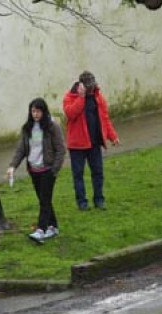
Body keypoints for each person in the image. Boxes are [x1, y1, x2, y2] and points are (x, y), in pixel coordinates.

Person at [7, 98, 67, 243]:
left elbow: (61, 150)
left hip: (47, 170)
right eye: (33, 111)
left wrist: (54, 169)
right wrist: (12, 166)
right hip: (34, 170)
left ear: (44, 111)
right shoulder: (27, 129)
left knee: (44, 201)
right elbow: (21, 149)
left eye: (38, 111)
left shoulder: (52, 128)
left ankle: (41, 230)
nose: (35, 114)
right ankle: (53, 226)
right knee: (43, 199)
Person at [63, 71, 121, 211]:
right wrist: (81, 98)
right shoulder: (70, 97)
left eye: (92, 86)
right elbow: (70, 113)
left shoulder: (98, 97)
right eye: (88, 87)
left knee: (98, 172)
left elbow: (104, 119)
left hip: (94, 142)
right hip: (77, 145)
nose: (91, 89)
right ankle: (82, 203)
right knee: (78, 175)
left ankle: (99, 200)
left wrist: (112, 136)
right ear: (81, 85)